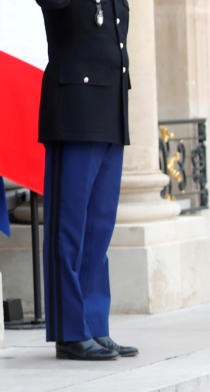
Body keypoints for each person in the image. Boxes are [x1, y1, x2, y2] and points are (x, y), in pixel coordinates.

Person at [37, 0, 137, 361]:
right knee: (69, 228)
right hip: (74, 106)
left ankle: (95, 325)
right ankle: (70, 331)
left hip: (110, 107)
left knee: (99, 228)